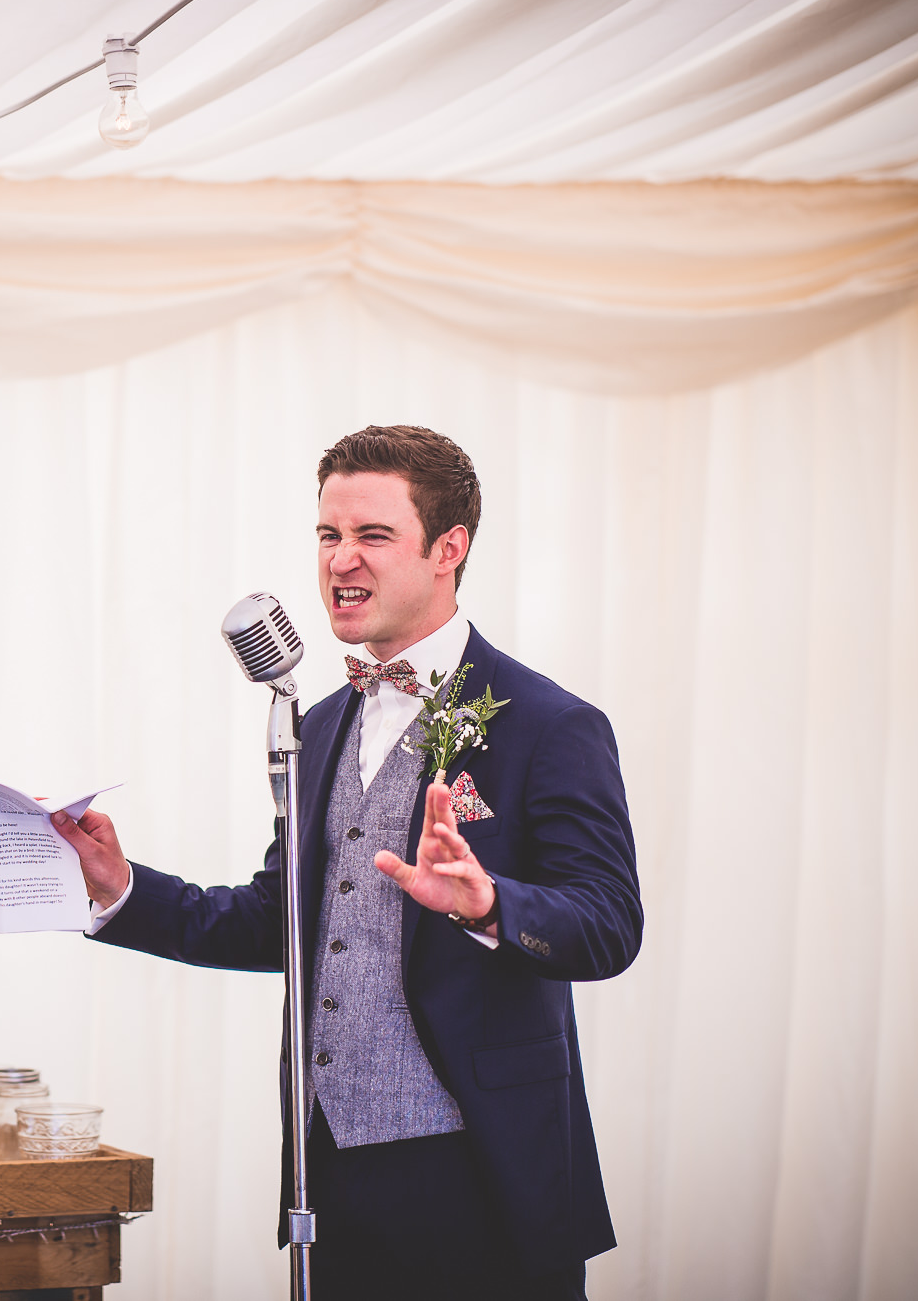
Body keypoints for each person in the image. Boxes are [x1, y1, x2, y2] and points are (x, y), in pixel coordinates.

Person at [51, 424, 642, 1300]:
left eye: (371, 535)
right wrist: (121, 888)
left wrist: (488, 905)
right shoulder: (317, 723)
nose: (339, 560)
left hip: (486, 1169)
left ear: (450, 548)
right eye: (328, 535)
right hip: (328, 1171)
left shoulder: (552, 724)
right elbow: (277, 920)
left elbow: (607, 925)